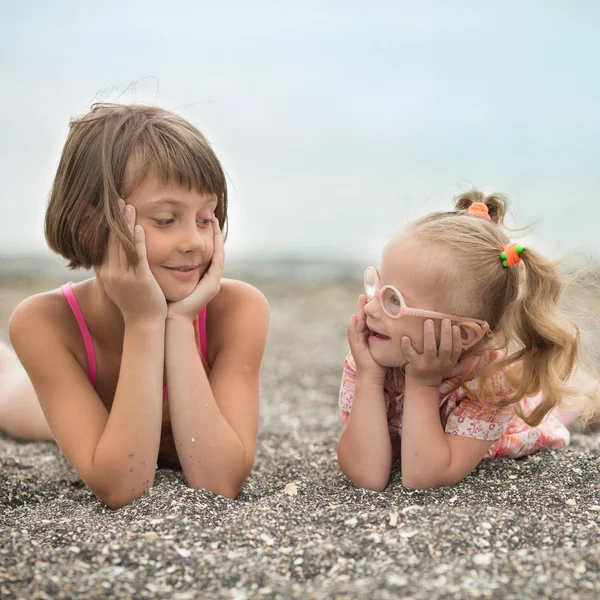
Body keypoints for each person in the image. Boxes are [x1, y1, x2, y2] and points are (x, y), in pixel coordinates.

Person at [0, 104, 269, 508]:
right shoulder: (44, 323)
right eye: (165, 220)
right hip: (38, 405)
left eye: (205, 218)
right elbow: (121, 486)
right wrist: (144, 322)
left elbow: (220, 481)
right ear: (90, 224)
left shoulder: (239, 310)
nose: (195, 242)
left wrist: (178, 323)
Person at [337, 190, 598, 491]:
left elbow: (423, 477)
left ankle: (584, 391)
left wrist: (424, 383)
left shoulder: (493, 384)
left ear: (461, 334)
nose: (369, 309)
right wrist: (369, 377)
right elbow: (366, 476)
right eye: (376, 286)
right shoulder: (375, 357)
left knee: (556, 405)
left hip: (515, 420)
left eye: (393, 301)